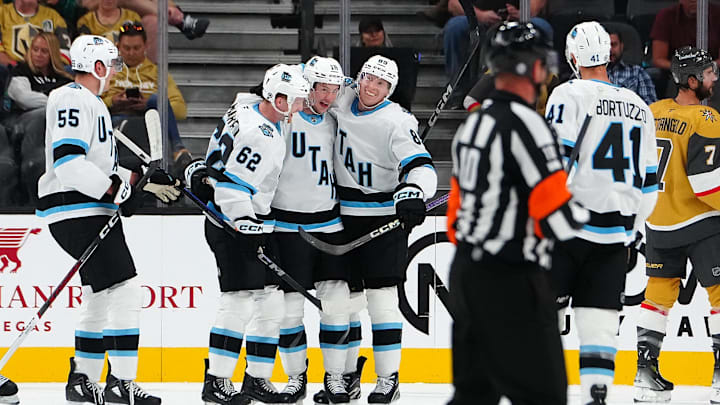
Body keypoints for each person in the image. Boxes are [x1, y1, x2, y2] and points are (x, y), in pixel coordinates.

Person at [446, 21, 587, 405]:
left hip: (466, 273)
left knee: (474, 395)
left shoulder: (472, 125)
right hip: (510, 279)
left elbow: (455, 216)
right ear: (532, 67)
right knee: (545, 396)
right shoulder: (529, 125)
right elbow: (555, 214)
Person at [37, 35, 181, 405]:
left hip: (88, 207)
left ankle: (83, 379)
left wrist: (140, 182)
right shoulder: (71, 97)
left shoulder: (92, 103)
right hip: (76, 208)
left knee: (100, 294)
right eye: (112, 65)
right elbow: (69, 164)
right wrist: (116, 192)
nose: (115, 72)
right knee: (125, 290)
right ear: (98, 67)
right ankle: (121, 382)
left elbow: (102, 167)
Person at [544, 21, 659, 404]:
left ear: (573, 57)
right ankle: (597, 397)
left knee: (542, 324)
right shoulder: (640, 107)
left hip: (567, 230)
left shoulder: (568, 93)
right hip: (614, 237)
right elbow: (648, 184)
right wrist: (633, 230)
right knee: (599, 331)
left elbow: (554, 164)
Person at [190, 64, 309, 405]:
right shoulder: (263, 137)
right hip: (234, 223)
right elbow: (231, 187)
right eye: (297, 100)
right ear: (279, 98)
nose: (300, 106)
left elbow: (219, 167)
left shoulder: (245, 105)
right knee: (238, 301)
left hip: (252, 220)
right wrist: (244, 225)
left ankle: (256, 378)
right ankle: (216, 381)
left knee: (270, 300)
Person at [328, 53, 437, 404]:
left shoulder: (397, 121)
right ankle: (344, 376)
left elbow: (423, 167)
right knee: (343, 302)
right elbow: (310, 78)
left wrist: (412, 192)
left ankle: (388, 378)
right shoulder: (343, 95)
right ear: (358, 77)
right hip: (342, 217)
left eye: (381, 83)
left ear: (390, 89)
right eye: (368, 78)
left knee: (382, 302)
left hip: (383, 219)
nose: (371, 87)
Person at [633, 46, 720, 404]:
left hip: (658, 221)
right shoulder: (707, 117)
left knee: (657, 296)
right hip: (700, 221)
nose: (714, 78)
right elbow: (706, 185)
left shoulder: (653, 112)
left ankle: (644, 373)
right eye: (709, 73)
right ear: (692, 80)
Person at [268, 57, 353, 404]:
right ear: (307, 85)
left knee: (335, 304)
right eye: (321, 88)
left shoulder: (336, 119)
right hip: (286, 226)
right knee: (289, 309)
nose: (328, 96)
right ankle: (295, 378)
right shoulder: (283, 119)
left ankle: (334, 377)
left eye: (334, 90)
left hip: (329, 224)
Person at [102, 21, 190, 174]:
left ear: (146, 46)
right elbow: (92, 101)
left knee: (157, 100)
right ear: (117, 47)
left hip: (150, 121)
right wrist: (113, 101)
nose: (131, 53)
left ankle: (178, 150)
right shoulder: (109, 70)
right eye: (126, 48)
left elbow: (181, 110)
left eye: (136, 48)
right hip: (116, 120)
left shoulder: (158, 72)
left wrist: (148, 103)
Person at [442, 0, 550, 107]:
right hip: (478, 21)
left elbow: (537, 4)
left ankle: (536, 95)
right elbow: (453, 4)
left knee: (542, 26)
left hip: (519, 23)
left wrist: (521, 14)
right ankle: (457, 94)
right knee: (456, 26)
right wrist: (481, 15)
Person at [5, 32, 72, 204]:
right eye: (35, 49)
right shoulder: (22, 70)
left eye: (44, 51)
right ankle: (33, 163)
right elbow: (24, 98)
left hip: (55, 125)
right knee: (42, 115)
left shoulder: (63, 79)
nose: (38, 54)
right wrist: (55, 100)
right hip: (21, 121)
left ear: (52, 54)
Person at [0, 0, 71, 66]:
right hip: (9, 72)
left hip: (46, 73)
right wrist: (17, 67)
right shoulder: (2, 13)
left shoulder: (54, 17)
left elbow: (64, 53)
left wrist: (46, 69)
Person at [606, 27, 657, 105]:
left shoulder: (637, 72)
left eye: (614, 45)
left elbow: (651, 106)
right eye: (606, 45)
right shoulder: (589, 73)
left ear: (621, 46)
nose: (610, 49)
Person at [77, 0, 142, 43]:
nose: (109, 0)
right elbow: (85, 46)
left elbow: (138, 42)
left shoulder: (133, 17)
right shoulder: (86, 21)